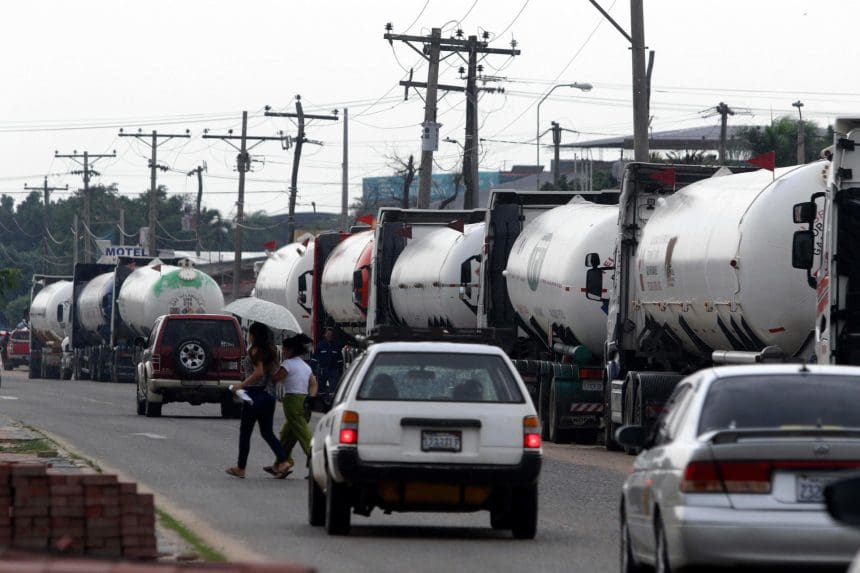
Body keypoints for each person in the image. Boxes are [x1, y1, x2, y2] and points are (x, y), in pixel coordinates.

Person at [225, 322, 292, 479]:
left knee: (245, 432)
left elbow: (259, 372)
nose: (248, 336)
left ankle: (241, 468)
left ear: (253, 335)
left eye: (249, 333)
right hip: (269, 395)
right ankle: (283, 462)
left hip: (255, 395)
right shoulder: (272, 350)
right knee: (267, 432)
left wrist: (241, 385)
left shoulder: (255, 351)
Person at [266, 334, 317, 476]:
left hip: (292, 403)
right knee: (286, 435)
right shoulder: (305, 366)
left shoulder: (287, 364)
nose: (282, 352)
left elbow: (275, 379)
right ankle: (281, 464)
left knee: (304, 435)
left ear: (290, 350)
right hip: (305, 402)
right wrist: (311, 398)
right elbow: (313, 384)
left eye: (284, 350)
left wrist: (272, 365)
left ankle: (317, 463)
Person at [313, 328, 343, 395]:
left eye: (331, 334)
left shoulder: (336, 345)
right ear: (325, 335)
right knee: (321, 390)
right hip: (322, 370)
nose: (329, 336)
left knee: (333, 389)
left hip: (333, 371)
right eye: (328, 334)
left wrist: (340, 371)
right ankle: (321, 402)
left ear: (333, 336)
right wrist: (313, 371)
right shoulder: (320, 345)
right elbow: (314, 359)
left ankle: (331, 403)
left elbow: (340, 360)